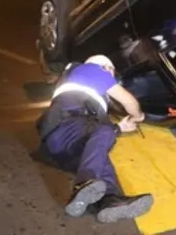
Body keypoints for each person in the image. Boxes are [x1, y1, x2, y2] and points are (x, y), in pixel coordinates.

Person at [36, 55, 154, 224]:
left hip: (62, 149)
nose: (112, 77)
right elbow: (129, 102)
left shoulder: (75, 81)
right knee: (104, 131)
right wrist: (138, 116)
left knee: (100, 157)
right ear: (107, 68)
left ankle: (108, 200)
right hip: (66, 129)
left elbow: (93, 136)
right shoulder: (92, 70)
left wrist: (119, 128)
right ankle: (83, 183)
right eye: (112, 72)